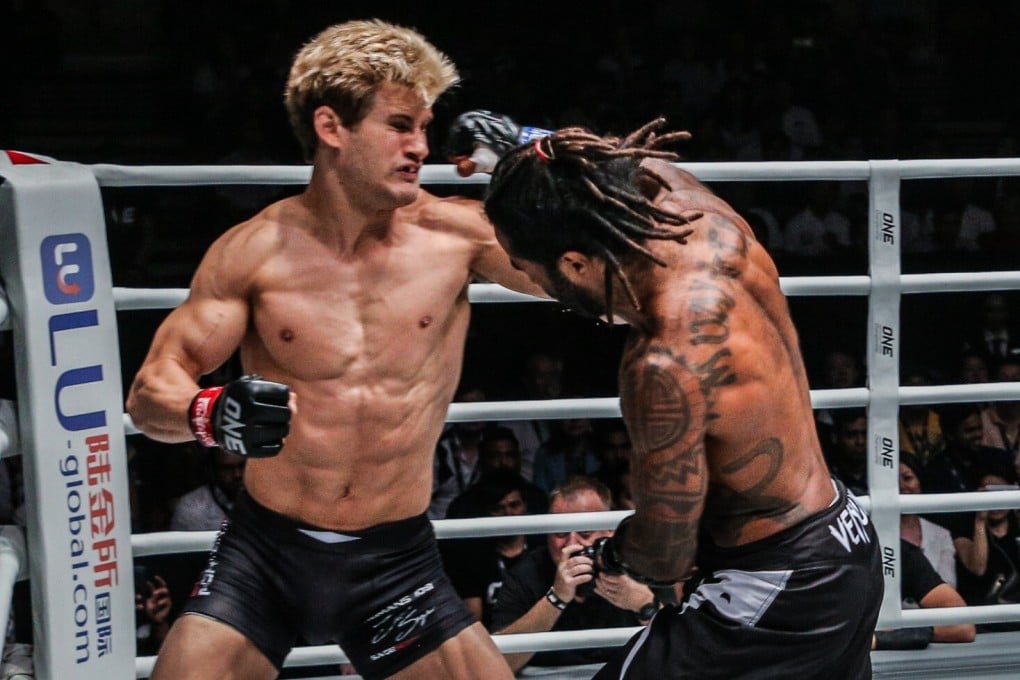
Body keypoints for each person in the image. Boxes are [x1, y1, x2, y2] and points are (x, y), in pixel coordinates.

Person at [125, 20, 543, 680]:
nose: (421, 146)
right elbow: (151, 392)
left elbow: (603, 282)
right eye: (399, 125)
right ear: (331, 127)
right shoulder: (254, 251)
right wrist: (209, 413)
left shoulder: (458, 235)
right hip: (265, 554)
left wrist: (540, 155)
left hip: (395, 563)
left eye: (424, 128)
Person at [472, 117, 882, 678]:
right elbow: (623, 162)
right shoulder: (701, 214)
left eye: (532, 274)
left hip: (777, 585)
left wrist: (613, 553)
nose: (547, 292)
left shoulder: (664, 361)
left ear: (574, 263)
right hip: (843, 534)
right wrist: (525, 143)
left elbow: (665, 554)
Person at [490, 477, 674, 674]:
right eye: (560, 532)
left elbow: (679, 654)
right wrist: (555, 599)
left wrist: (645, 605)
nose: (572, 544)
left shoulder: (641, 566)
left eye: (585, 531)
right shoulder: (526, 574)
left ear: (610, 531)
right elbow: (497, 666)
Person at [169, 446, 246, 531]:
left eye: (242, 466)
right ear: (214, 470)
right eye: (227, 468)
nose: (237, 475)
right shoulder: (191, 509)